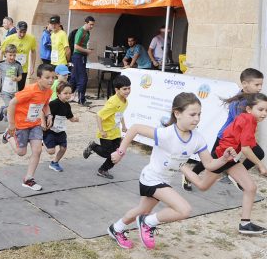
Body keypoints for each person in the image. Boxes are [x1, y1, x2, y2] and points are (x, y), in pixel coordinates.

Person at [107, 92, 236, 249]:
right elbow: (135, 129)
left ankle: (116, 229)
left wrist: (223, 159)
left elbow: (209, 164)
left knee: (142, 209)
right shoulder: (166, 134)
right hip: (151, 179)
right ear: (177, 113)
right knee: (184, 209)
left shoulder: (197, 139)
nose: (197, 118)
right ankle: (147, 222)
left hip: (163, 181)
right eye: (192, 114)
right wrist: (120, 152)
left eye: (199, 114)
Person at [181, 93, 267, 235]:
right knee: (203, 186)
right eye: (261, 109)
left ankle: (245, 224)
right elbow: (246, 149)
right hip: (223, 157)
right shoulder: (249, 120)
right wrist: (260, 165)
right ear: (249, 109)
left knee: (250, 188)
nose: (264, 113)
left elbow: (248, 144)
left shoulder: (248, 119)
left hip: (229, 156)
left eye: (266, 110)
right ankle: (182, 167)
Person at [184, 68, 264, 191]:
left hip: (238, 138)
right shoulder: (239, 102)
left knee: (258, 153)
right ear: (245, 84)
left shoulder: (252, 99)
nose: (259, 88)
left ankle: (234, 176)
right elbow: (242, 123)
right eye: (256, 84)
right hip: (226, 137)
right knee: (211, 162)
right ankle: (189, 176)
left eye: (261, 85)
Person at [2, 63, 55, 191]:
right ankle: (8, 135)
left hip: (35, 124)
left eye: (53, 77)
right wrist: (11, 124)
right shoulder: (30, 90)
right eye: (47, 77)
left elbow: (45, 105)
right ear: (38, 79)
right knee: (21, 152)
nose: (51, 80)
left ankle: (28, 179)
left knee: (37, 150)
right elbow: (12, 103)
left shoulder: (49, 91)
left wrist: (49, 115)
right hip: (21, 124)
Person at [83, 75, 131, 179]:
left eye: (129, 88)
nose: (127, 91)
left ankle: (103, 170)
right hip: (106, 132)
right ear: (116, 90)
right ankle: (93, 146)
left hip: (116, 132)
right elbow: (99, 115)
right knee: (107, 154)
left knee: (117, 154)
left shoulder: (125, 101)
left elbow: (120, 114)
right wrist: (101, 130)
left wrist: (123, 125)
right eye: (124, 89)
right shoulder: (113, 102)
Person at [44, 82, 79, 172]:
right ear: (58, 94)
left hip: (61, 131)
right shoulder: (53, 104)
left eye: (70, 93)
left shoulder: (67, 105)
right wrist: (44, 124)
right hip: (50, 130)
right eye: (65, 93)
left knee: (63, 148)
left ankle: (54, 162)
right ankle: (42, 140)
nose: (68, 95)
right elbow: (44, 113)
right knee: (51, 151)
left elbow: (70, 117)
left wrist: (75, 119)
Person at [0, 44, 22, 122]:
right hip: (4, 91)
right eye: (10, 55)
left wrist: (17, 79)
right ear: (5, 54)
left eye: (14, 55)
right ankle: (9, 120)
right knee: (11, 108)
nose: (12, 57)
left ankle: (3, 110)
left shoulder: (18, 64)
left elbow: (20, 76)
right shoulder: (1, 64)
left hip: (15, 91)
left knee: (13, 107)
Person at [0, 21, 37, 91]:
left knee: (20, 91)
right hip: (10, 68)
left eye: (24, 32)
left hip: (23, 69)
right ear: (16, 29)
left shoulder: (31, 39)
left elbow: (33, 51)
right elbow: (1, 52)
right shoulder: (9, 38)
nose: (22, 34)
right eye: (20, 32)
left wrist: (32, 66)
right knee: (9, 90)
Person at [69, 16, 95, 106]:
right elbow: (76, 46)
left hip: (83, 56)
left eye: (93, 25)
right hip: (77, 56)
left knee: (74, 78)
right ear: (86, 23)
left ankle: (65, 95)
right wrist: (87, 51)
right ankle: (81, 99)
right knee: (83, 78)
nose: (92, 26)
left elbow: (83, 45)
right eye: (90, 24)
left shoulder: (88, 32)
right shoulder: (80, 32)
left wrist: (87, 50)